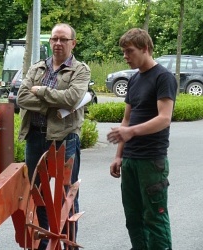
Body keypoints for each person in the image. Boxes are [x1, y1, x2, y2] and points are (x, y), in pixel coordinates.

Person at [17, 23, 90, 250]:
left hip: (64, 139)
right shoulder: (37, 68)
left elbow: (72, 98)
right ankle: (45, 242)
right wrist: (52, 103)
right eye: (54, 39)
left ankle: (68, 243)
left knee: (65, 195)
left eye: (63, 40)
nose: (58, 43)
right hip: (35, 139)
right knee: (37, 193)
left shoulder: (80, 70)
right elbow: (21, 97)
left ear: (73, 43)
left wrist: (40, 92)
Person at [107, 28, 177, 250]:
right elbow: (126, 121)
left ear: (145, 48)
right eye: (124, 52)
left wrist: (132, 132)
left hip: (151, 161)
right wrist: (118, 156)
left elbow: (164, 118)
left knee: (155, 219)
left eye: (129, 51)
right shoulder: (135, 79)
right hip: (130, 160)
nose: (125, 56)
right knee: (134, 218)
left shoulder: (163, 77)